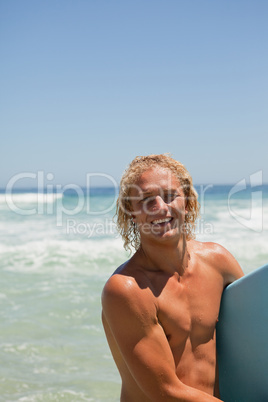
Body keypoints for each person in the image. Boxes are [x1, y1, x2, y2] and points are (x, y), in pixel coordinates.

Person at [101, 154, 244, 401]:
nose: (160, 207)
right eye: (146, 200)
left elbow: (255, 333)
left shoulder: (218, 262)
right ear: (132, 213)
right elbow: (165, 392)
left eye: (170, 196)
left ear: (186, 202)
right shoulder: (126, 290)